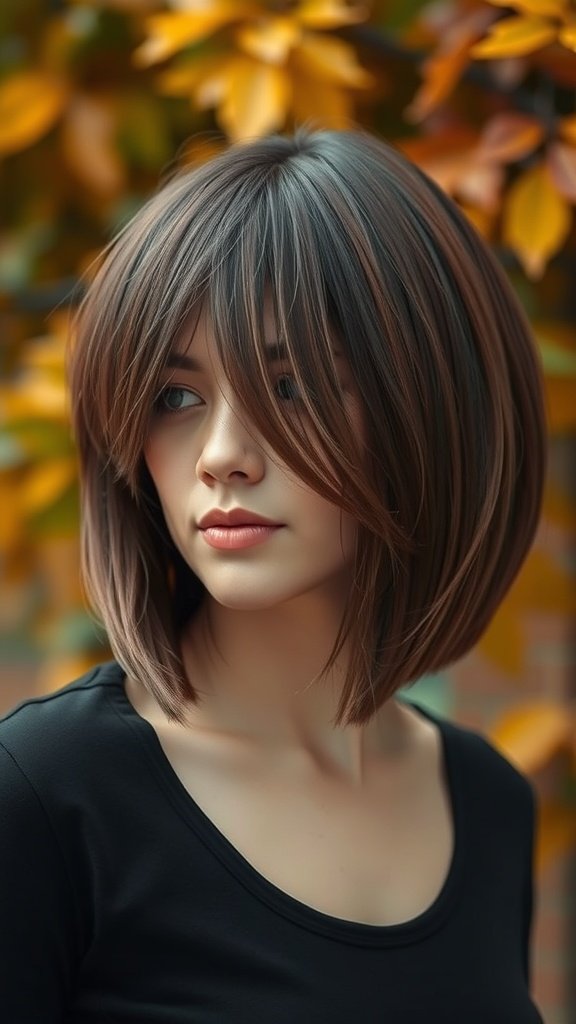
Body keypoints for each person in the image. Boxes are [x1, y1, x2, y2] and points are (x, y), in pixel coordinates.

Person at [0, 128, 546, 1023]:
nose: (221, 456)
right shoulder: (45, 799)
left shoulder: (487, 805)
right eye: (176, 397)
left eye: (294, 389)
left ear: (430, 406)